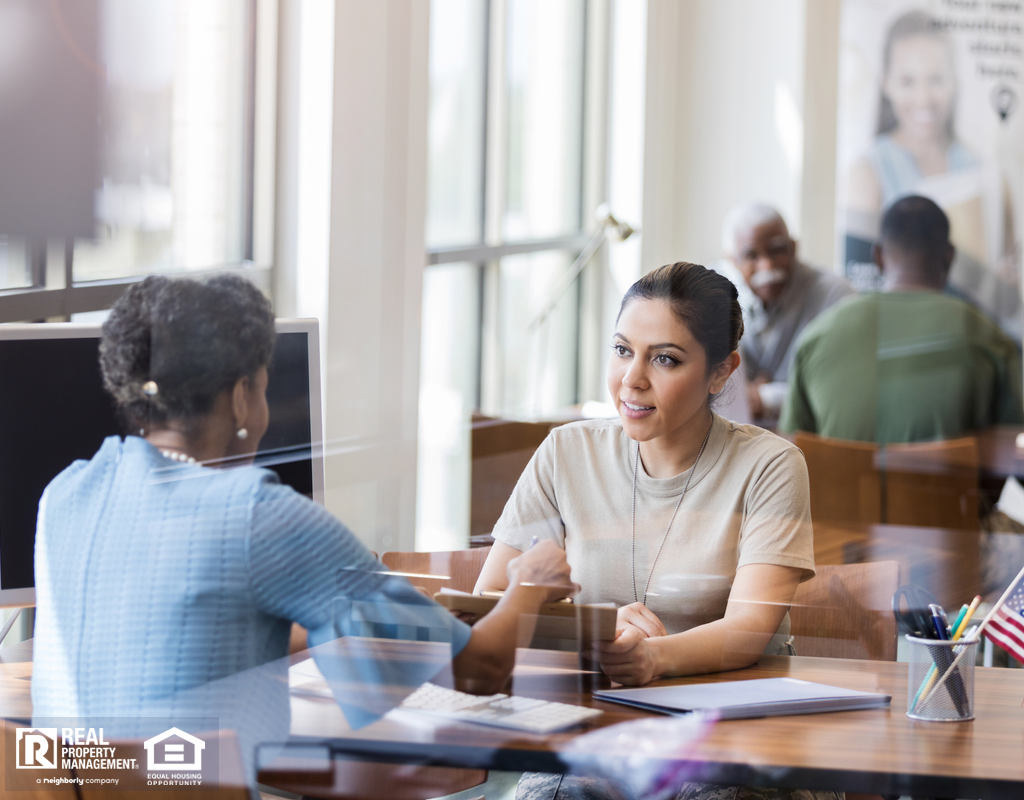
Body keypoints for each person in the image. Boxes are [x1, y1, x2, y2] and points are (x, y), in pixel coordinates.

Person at [31, 275, 575, 784]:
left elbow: (193, 628)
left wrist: (335, 618)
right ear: (242, 397)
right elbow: (477, 673)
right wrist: (528, 585)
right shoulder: (259, 514)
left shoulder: (65, 495)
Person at [475, 263, 833, 800]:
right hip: (596, 735)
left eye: (664, 358)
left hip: (735, 746)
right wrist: (592, 628)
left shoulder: (771, 465)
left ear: (721, 372)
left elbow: (750, 628)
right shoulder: (567, 452)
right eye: (622, 350)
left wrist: (650, 657)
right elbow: (488, 601)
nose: (632, 378)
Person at [781, 195, 1024, 445]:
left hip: (839, 485)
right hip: (947, 485)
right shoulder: (989, 337)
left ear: (877, 256)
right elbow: (1014, 449)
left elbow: (791, 448)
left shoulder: (816, 337)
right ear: (949, 256)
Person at [845, 9, 1018, 335]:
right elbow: (859, 286)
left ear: (954, 81)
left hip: (977, 336)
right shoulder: (867, 172)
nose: (924, 97)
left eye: (936, 79)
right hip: (904, 336)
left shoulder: (986, 172)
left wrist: (1008, 281)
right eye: (908, 80)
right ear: (886, 83)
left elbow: (1008, 295)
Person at [714, 203, 853, 420]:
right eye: (752, 256)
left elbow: (842, 390)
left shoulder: (834, 296)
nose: (767, 267)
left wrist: (768, 399)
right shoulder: (710, 292)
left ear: (794, 247)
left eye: (777, 251)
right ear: (732, 260)